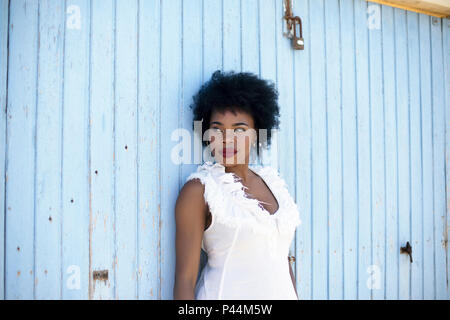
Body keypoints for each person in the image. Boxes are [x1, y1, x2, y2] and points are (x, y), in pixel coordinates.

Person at [173, 70, 302, 300]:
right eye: (217, 128)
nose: (227, 138)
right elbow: (185, 280)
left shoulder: (273, 183)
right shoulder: (200, 190)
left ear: (256, 133)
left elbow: (282, 261)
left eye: (239, 129)